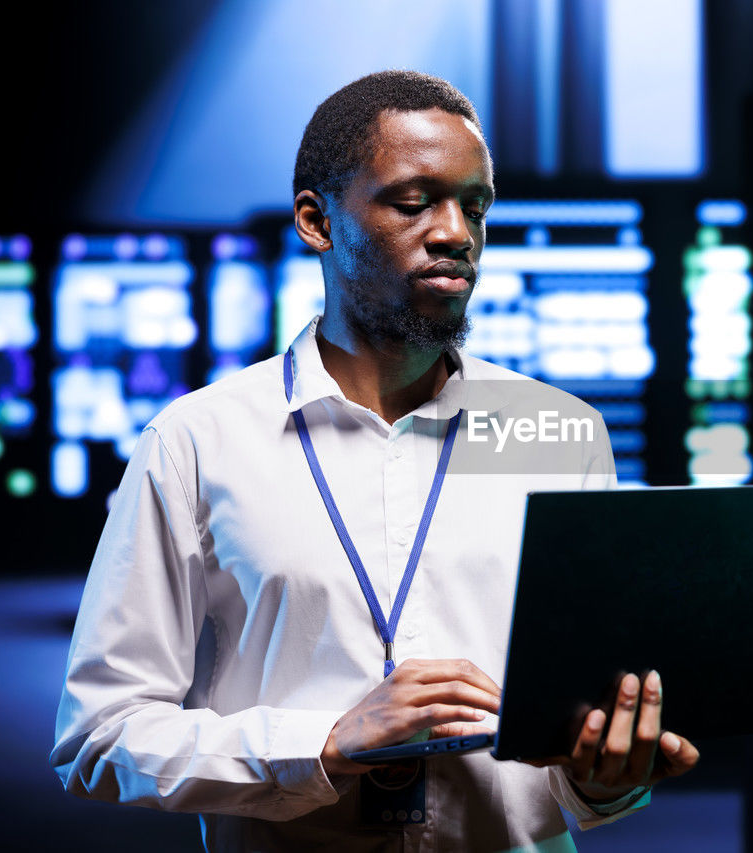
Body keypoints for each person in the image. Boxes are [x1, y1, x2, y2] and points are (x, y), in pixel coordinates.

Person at [51, 70, 698, 851]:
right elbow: (98, 735)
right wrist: (322, 743)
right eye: (414, 200)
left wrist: (606, 777)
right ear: (317, 221)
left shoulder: (560, 432)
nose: (457, 231)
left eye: (476, 205)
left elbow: (570, 757)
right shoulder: (196, 441)